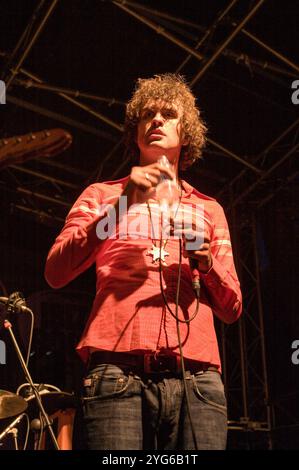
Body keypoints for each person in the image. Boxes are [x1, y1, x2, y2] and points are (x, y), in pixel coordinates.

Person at [45, 74, 242, 450]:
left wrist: (207, 262)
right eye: (146, 114)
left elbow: (233, 308)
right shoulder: (102, 195)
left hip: (197, 379)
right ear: (134, 133)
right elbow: (55, 272)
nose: (155, 120)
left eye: (168, 114)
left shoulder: (208, 209)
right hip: (116, 372)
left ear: (187, 135)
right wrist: (123, 204)